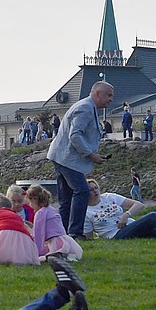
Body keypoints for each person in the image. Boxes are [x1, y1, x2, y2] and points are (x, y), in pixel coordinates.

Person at [47, 81, 113, 241]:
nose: (111, 99)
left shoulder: (89, 107)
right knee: (82, 191)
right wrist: (91, 155)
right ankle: (75, 233)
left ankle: (62, 233)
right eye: (109, 95)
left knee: (67, 197)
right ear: (97, 94)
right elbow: (75, 135)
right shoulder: (85, 108)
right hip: (67, 159)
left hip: (61, 157)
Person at [84, 179, 156, 240]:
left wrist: (126, 214)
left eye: (96, 188)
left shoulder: (109, 197)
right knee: (152, 217)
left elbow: (139, 205)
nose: (95, 191)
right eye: (90, 190)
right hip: (116, 234)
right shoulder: (86, 212)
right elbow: (89, 238)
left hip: (131, 225)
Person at [27, 184, 82, 261]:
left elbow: (39, 234)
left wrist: (37, 252)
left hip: (54, 241)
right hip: (64, 239)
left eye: (30, 202)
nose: (30, 205)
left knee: (48, 256)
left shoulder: (40, 213)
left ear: (34, 199)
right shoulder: (51, 209)